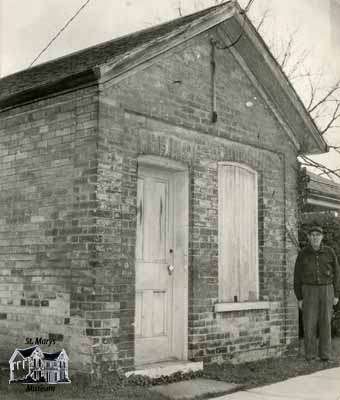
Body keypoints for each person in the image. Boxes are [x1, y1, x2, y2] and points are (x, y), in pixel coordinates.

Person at [294, 224, 340, 362]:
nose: (315, 238)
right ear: (308, 237)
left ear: (322, 237)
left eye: (317, 235)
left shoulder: (329, 252)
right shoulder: (303, 254)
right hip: (308, 290)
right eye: (312, 235)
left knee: (325, 322)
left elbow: (337, 273)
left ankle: (325, 355)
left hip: (327, 290)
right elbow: (296, 276)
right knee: (309, 323)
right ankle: (310, 355)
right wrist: (299, 297)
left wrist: (336, 294)